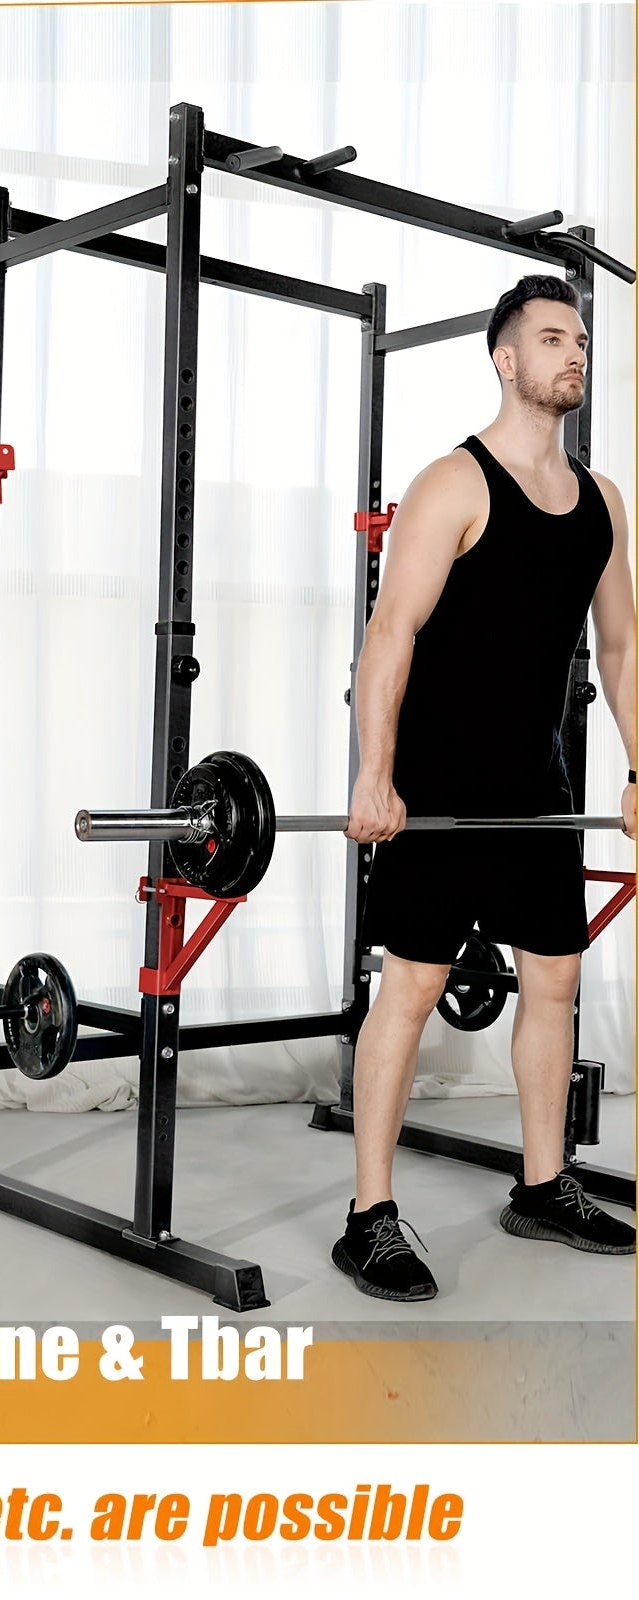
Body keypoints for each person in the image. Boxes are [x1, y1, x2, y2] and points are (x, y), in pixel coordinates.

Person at [339, 273, 637, 1300]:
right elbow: (390, 634)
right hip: (437, 784)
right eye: (551, 338)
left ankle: (543, 1185)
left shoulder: (601, 503)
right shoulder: (452, 485)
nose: (573, 353)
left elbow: (621, 646)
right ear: (506, 361)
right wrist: (374, 774)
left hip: (538, 785)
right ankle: (368, 1217)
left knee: (553, 979)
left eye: (579, 339)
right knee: (413, 985)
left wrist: (637, 767)